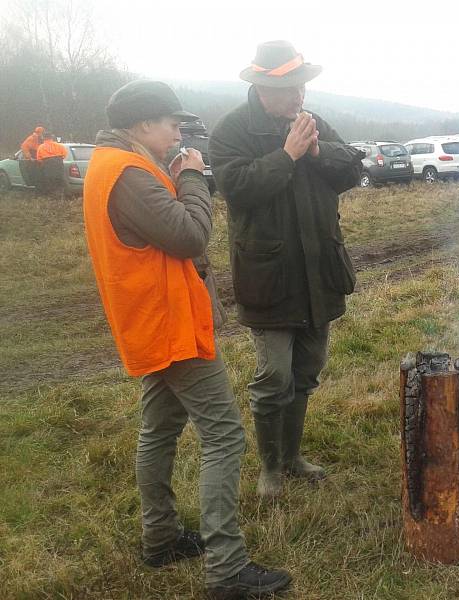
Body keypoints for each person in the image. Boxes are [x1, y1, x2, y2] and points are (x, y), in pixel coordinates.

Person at [82, 79, 292, 598]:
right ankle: (227, 569)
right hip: (170, 325)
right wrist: (195, 178)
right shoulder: (128, 173)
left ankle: (161, 538)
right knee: (224, 436)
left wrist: (177, 178)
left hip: (149, 321)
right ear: (141, 125)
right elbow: (190, 235)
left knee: (159, 429)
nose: (178, 131)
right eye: (171, 123)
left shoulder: (112, 166)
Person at [209, 41, 364, 500]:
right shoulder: (230, 131)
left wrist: (316, 152)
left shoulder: (310, 122)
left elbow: (351, 169)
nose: (300, 98)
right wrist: (288, 156)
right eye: (291, 89)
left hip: (318, 274)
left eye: (302, 88)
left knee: (307, 371)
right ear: (263, 87)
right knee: (274, 377)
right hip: (269, 278)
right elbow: (236, 189)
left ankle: (293, 457)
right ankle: (270, 468)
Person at [36, 132, 68, 197]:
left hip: (47, 166)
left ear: (43, 138)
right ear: (52, 137)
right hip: (58, 164)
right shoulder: (60, 146)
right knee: (60, 180)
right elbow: (64, 155)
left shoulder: (41, 147)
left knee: (49, 181)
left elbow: (39, 159)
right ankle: (62, 195)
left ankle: (51, 196)